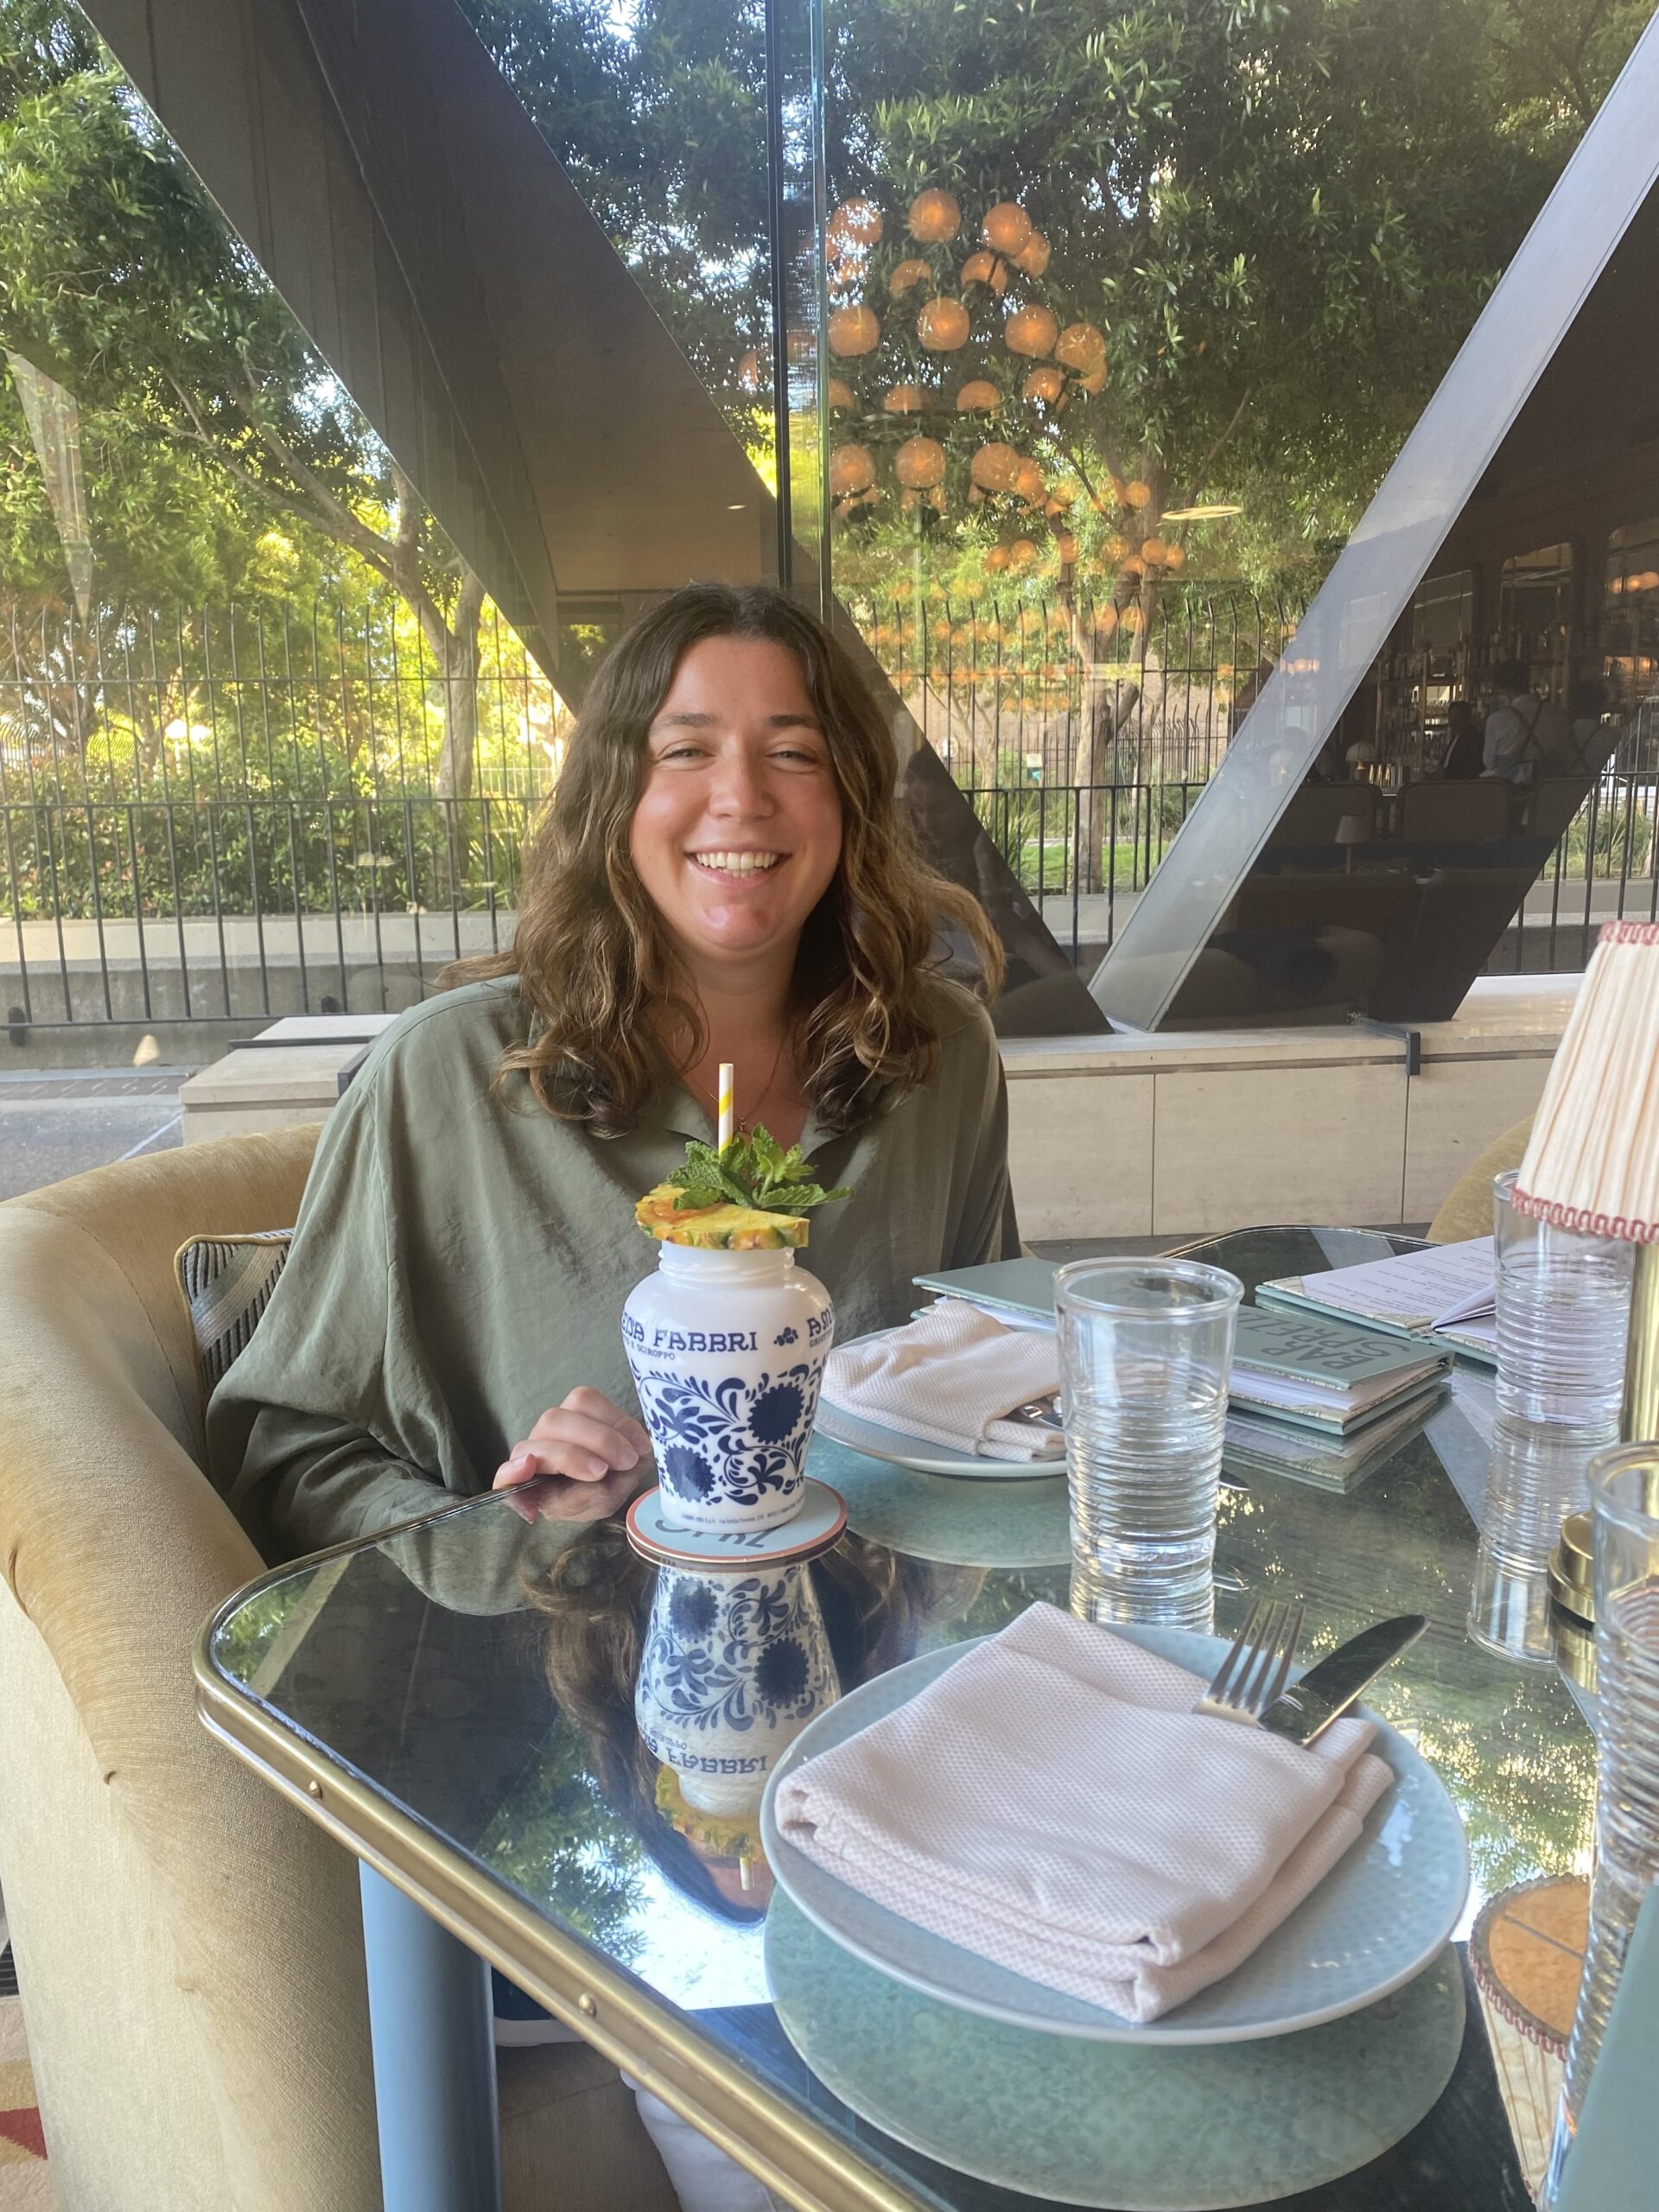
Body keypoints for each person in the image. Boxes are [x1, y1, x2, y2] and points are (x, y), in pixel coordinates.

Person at [1482, 659, 1570, 782]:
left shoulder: (1497, 719)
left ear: (1503, 689)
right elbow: (1564, 750)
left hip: (1511, 788)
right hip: (1549, 786)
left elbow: (1489, 762)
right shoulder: (1555, 712)